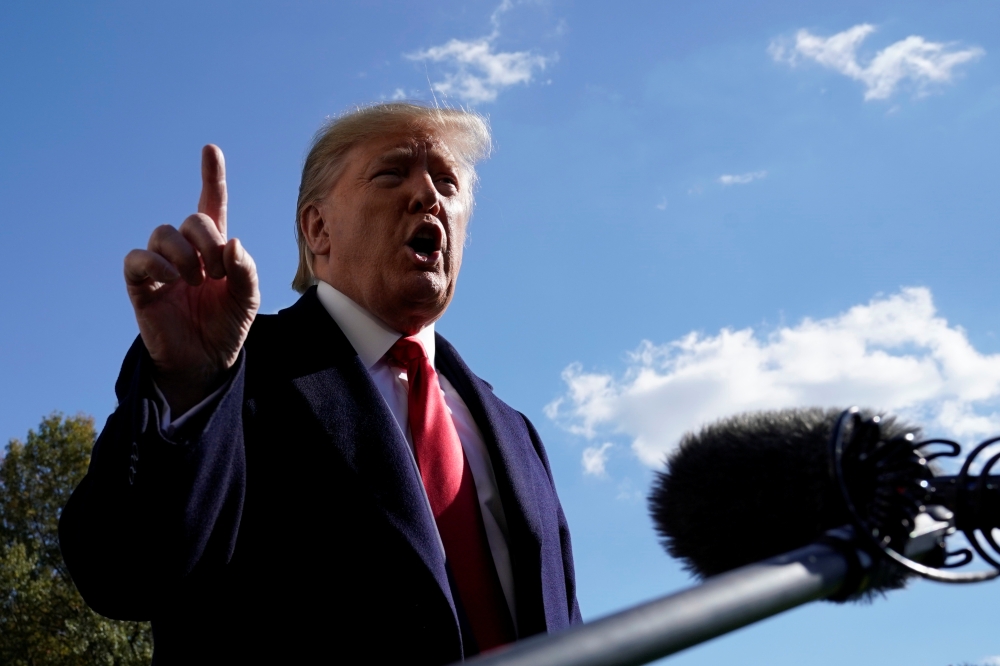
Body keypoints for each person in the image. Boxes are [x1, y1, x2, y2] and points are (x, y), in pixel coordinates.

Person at [59, 103, 581, 664]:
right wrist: (190, 384)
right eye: (392, 173)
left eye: (447, 183)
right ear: (318, 228)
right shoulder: (229, 372)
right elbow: (122, 572)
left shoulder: (515, 432)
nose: (429, 195)